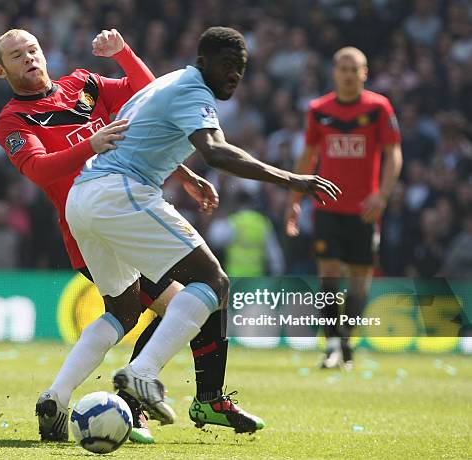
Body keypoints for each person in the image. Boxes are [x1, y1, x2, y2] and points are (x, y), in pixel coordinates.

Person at [0, 28, 262, 443]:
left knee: (126, 311)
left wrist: (123, 53)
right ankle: (148, 400)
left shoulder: (84, 84)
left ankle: (57, 396)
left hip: (117, 210)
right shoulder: (13, 119)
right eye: (16, 56)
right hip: (101, 219)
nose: (29, 58)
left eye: (33, 49)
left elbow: (154, 98)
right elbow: (40, 170)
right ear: (1, 70)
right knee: (196, 297)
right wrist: (91, 145)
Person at [64, 26, 340, 426]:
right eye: (227, 65)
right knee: (213, 283)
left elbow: (144, 134)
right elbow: (215, 151)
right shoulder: (194, 90)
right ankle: (142, 375)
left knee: (125, 310)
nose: (234, 75)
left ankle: (55, 397)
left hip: (84, 195)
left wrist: (185, 176)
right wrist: (293, 179)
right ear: (204, 60)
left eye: (241, 69)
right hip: (119, 192)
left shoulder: (172, 81)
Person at [285, 47, 402, 369]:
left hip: (364, 210)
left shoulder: (378, 108)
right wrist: (295, 200)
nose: (349, 75)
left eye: (355, 69)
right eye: (343, 69)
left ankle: (345, 339)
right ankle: (333, 345)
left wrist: (383, 195)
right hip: (327, 206)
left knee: (360, 281)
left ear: (364, 73)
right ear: (335, 72)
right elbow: (308, 157)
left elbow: (393, 153)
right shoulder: (318, 109)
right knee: (329, 274)